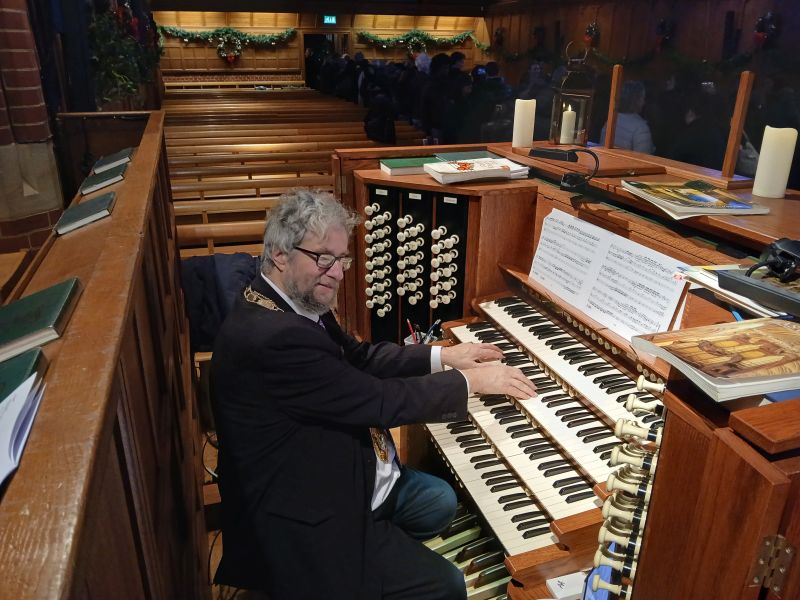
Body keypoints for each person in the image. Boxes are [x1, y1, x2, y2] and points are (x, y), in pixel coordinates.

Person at [210, 189, 538, 600]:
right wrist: (471, 382)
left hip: (334, 465)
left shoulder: (292, 302)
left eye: (342, 259)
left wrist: (444, 356)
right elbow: (377, 400)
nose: (337, 272)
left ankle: (381, 548)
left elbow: (360, 357)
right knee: (448, 586)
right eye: (323, 258)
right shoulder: (273, 338)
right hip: (306, 509)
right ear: (279, 254)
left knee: (438, 501)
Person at [599, 80, 655, 153]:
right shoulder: (641, 128)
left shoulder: (612, 119)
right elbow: (643, 157)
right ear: (636, 100)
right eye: (642, 98)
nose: (644, 102)